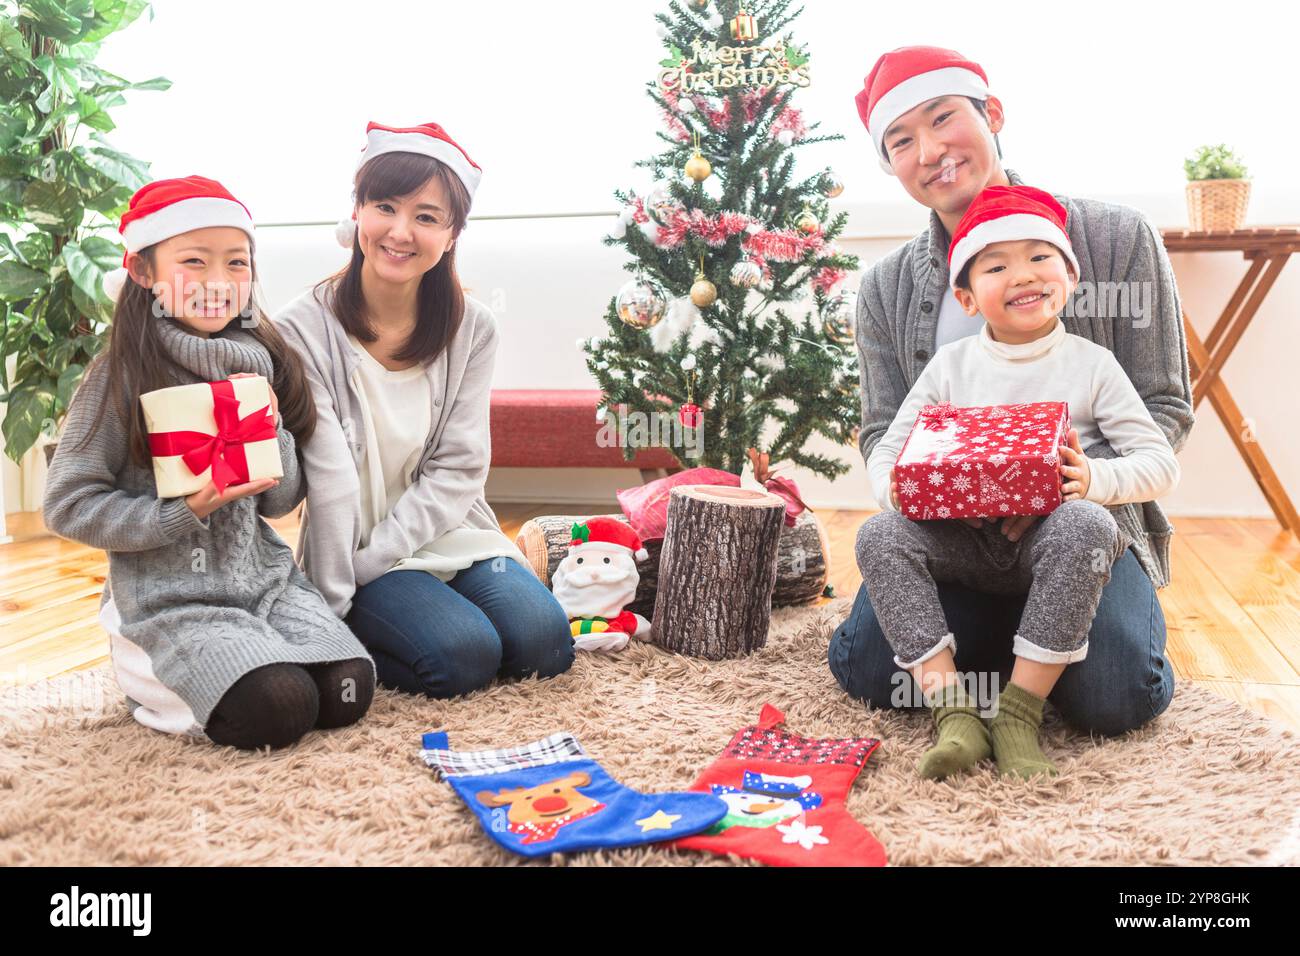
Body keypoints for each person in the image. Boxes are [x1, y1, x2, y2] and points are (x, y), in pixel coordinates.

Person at [829, 45, 1195, 736]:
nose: (931, 149)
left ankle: (1035, 650)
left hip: (1083, 529)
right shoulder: (884, 288)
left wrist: (1063, 489)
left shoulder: (1117, 238)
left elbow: (1164, 406)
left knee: (1118, 694)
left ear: (991, 113)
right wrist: (951, 497)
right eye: (902, 140)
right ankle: (1006, 648)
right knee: (876, 672)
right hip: (951, 534)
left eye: (943, 119)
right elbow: (884, 429)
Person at [42, 175, 375, 750]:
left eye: (237, 263)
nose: (218, 283)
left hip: (262, 582)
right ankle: (141, 668)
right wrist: (180, 512)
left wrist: (271, 431)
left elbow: (278, 499)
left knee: (349, 689)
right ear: (144, 272)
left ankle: (244, 660)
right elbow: (67, 504)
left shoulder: (263, 361)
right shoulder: (119, 372)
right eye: (193, 261)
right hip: (167, 597)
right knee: (279, 706)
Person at [859, 185, 1179, 779]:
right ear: (967, 297)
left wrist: (1091, 477)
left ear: (1070, 276)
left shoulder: (1091, 365)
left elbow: (1160, 462)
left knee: (1088, 521)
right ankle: (953, 712)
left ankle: (1017, 715)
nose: (1023, 274)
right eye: (997, 265)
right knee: (878, 535)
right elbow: (889, 451)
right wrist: (900, 491)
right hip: (963, 542)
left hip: (1053, 545)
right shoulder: (950, 368)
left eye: (1040, 256)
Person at [275, 122, 574, 699]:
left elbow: (459, 470)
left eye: (427, 217)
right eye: (384, 206)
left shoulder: (473, 327)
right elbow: (331, 476)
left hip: (450, 530)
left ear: (453, 232)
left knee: (544, 643)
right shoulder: (300, 329)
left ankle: (437, 611)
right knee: (463, 658)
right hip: (355, 549)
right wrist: (339, 593)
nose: (401, 232)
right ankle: (397, 627)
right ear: (357, 211)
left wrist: (397, 548)